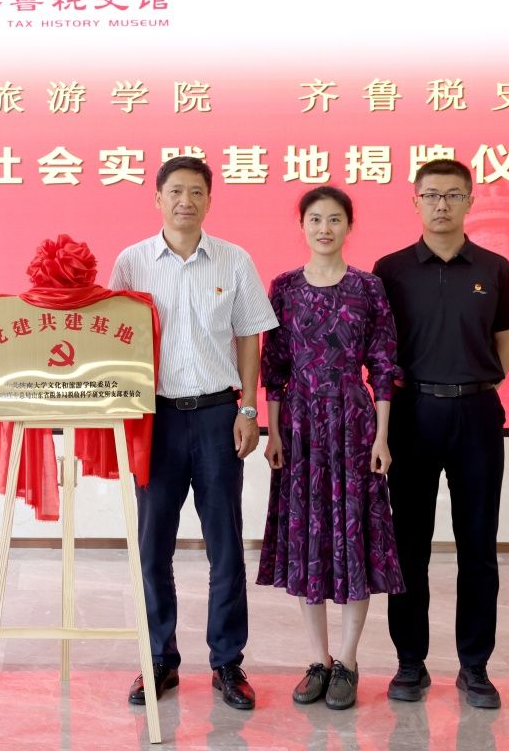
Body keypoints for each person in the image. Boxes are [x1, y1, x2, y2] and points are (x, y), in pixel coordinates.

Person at [109, 156, 278, 711]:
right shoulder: (131, 263)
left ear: (209, 199)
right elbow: (113, 338)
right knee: (152, 546)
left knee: (225, 545)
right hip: (154, 419)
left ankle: (227, 662)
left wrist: (248, 409)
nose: (186, 200)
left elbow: (250, 336)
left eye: (197, 192)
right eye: (176, 191)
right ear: (157, 198)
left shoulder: (234, 260)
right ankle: (159, 659)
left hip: (216, 416)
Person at [373, 158, 509, 710]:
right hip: (412, 413)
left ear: (470, 201)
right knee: (409, 546)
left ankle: (474, 667)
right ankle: (410, 664)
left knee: (478, 547)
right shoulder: (390, 270)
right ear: (414, 201)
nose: (442, 204)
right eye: (432, 195)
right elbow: (379, 348)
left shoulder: (495, 267)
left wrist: (471, 382)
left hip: (477, 415)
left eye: (453, 195)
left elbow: (508, 344)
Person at [257, 186, 405, 710]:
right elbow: (273, 367)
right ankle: (317, 660)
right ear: (302, 225)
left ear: (349, 226)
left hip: (354, 424)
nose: (325, 228)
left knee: (353, 537)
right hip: (300, 428)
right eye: (316, 219)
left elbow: (383, 365)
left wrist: (382, 435)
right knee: (309, 541)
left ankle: (347, 661)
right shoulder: (284, 288)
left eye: (335, 219)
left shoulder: (368, 287)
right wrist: (274, 432)